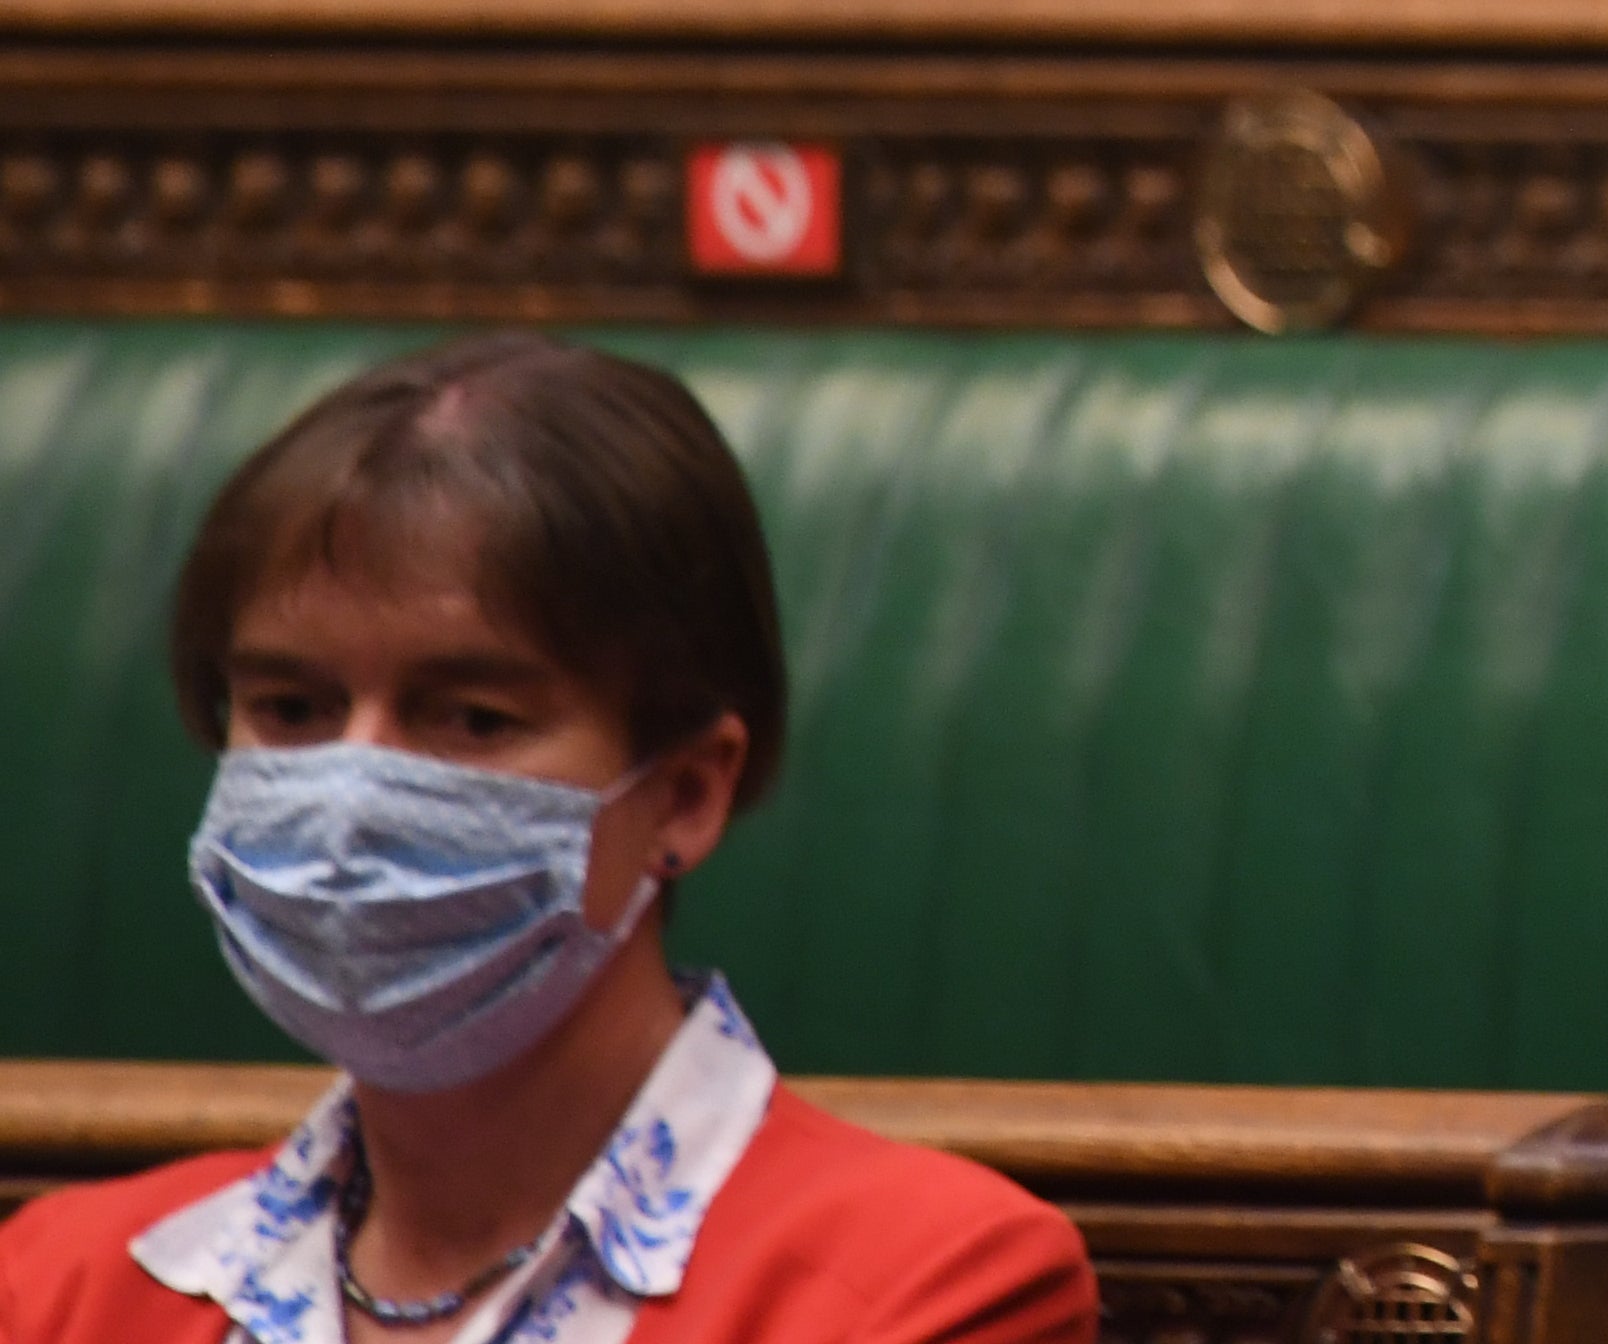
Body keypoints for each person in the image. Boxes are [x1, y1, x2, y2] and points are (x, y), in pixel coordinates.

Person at [0, 339, 1094, 1344]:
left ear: (683, 796)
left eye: (472, 717)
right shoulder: (59, 1288)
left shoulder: (925, 1283)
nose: (353, 789)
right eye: (291, 708)